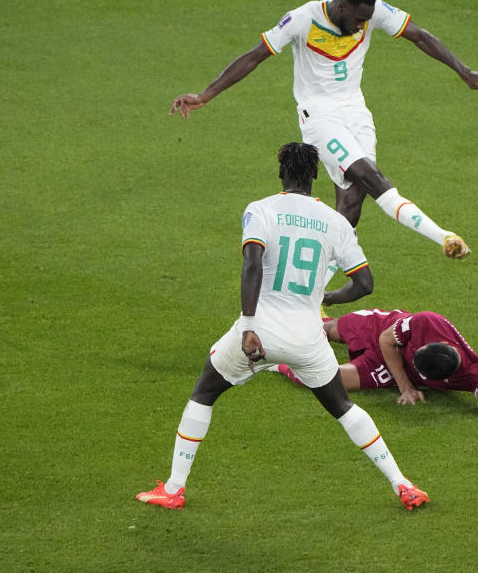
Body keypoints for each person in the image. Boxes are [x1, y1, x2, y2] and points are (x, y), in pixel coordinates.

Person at [136, 143, 429, 511]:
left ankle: (174, 489)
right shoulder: (335, 222)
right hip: (308, 338)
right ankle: (403, 484)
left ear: (281, 174)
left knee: (204, 393)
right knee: (344, 407)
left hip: (260, 330)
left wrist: (248, 326)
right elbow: (365, 284)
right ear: (315, 176)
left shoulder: (262, 210)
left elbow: (252, 265)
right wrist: (324, 297)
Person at [170, 0, 478, 262]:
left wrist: (464, 72)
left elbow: (420, 36)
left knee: (352, 203)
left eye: (368, 19)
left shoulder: (372, 12)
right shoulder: (302, 20)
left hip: (356, 111)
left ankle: (318, 291)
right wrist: (205, 95)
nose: (363, 26)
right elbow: (254, 57)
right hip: (319, 117)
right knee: (372, 178)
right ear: (340, 6)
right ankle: (444, 237)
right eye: (358, 19)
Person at [271, 308, 478, 438]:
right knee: (328, 330)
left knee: (325, 379)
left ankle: (275, 362)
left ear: (443, 380)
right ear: (444, 344)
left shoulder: (476, 373)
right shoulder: (426, 321)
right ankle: (310, 313)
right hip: (385, 332)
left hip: (389, 368)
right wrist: (405, 386)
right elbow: (386, 340)